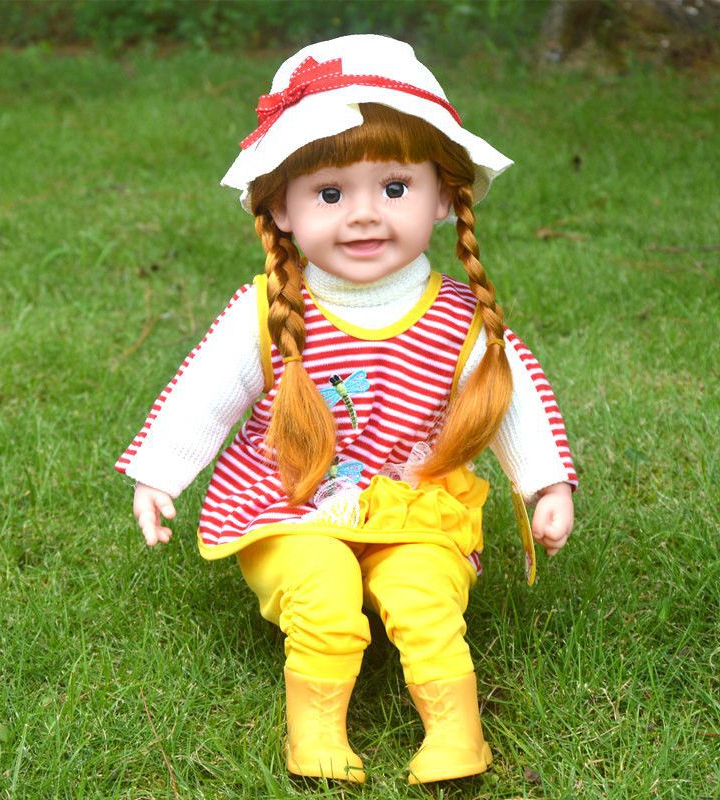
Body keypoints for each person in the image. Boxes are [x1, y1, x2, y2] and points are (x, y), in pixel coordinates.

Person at [116, 34, 577, 785]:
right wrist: (159, 474)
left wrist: (546, 483)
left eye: (395, 187)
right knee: (325, 594)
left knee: (424, 601)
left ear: (442, 197)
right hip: (291, 502)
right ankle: (318, 734)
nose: (364, 215)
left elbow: (512, 398)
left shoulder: (460, 320)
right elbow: (204, 394)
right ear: (283, 208)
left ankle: (456, 736)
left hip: (412, 503)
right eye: (330, 194)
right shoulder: (270, 310)